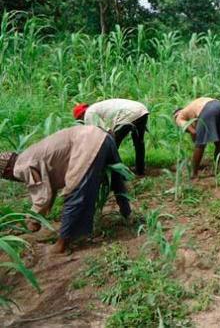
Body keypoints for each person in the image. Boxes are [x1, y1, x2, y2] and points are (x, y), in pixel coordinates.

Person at [0, 126, 131, 253]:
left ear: (6, 171)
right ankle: (127, 216)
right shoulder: (26, 155)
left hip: (87, 144)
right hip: (102, 136)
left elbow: (42, 197)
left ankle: (61, 245)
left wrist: (32, 219)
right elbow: (48, 187)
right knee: (116, 179)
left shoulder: (19, 168)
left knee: (74, 194)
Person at [73, 99, 149, 176]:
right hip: (141, 110)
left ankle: (118, 173)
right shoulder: (96, 108)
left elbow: (107, 132)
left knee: (112, 146)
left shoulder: (88, 114)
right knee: (139, 142)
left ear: (80, 116)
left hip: (128, 114)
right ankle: (140, 170)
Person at [174, 97, 220, 179]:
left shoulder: (179, 117)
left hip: (207, 109)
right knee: (219, 142)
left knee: (200, 144)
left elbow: (193, 132)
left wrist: (196, 138)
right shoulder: (191, 108)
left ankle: (194, 173)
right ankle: (216, 168)